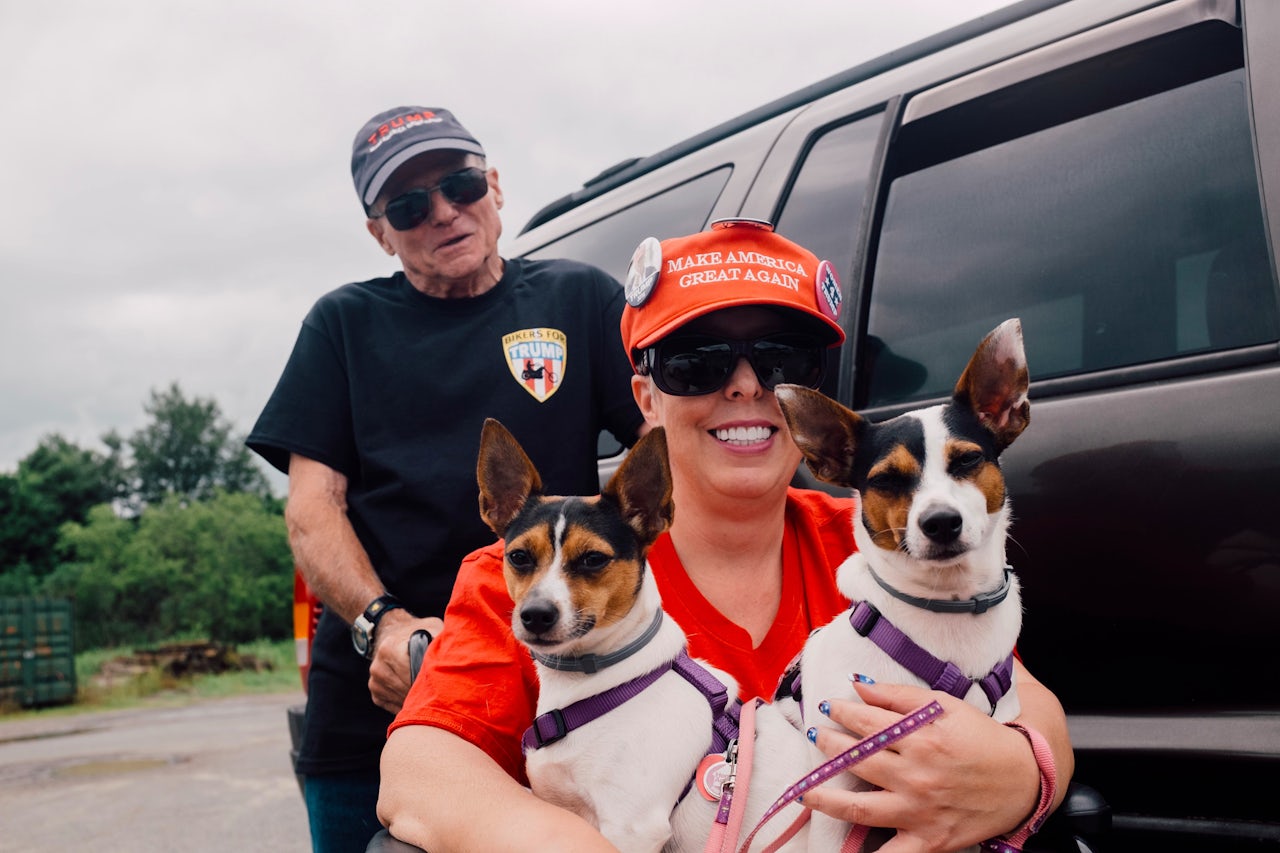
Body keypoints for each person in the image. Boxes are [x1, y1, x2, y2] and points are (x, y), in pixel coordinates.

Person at [378, 218, 1074, 851]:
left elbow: (1020, 693)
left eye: (783, 360)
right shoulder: (534, 570)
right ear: (645, 397)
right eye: (696, 361)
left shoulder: (876, 545)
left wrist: (1022, 774)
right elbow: (422, 771)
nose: (745, 386)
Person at [246, 106, 644, 853]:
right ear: (380, 232)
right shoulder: (342, 325)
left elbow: (665, 453)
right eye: (408, 205)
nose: (443, 212)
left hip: (557, 691)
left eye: (459, 184)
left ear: (493, 186)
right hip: (380, 701)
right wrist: (385, 626)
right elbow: (311, 508)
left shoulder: (582, 300)